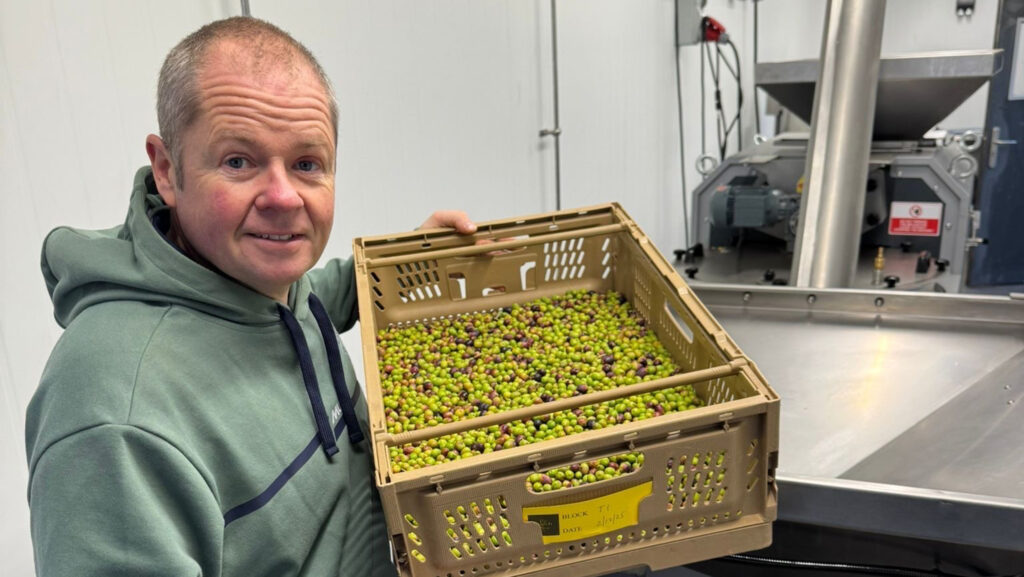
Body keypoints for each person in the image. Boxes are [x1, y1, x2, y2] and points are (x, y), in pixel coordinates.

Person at [25, 16, 475, 577]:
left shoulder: (253, 276)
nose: (284, 198)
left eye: (307, 164)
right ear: (166, 170)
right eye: (239, 161)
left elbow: (305, 304)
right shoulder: (114, 420)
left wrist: (400, 262)